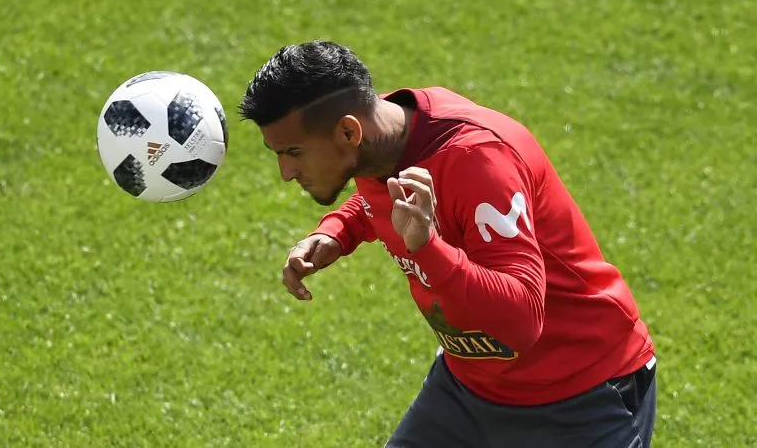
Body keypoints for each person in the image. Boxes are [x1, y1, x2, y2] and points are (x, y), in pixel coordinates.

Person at [238, 40, 657, 448]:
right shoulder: (379, 137)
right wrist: (335, 232)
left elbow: (521, 322)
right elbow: (378, 195)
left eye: (293, 152)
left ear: (349, 131)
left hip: (580, 394)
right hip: (466, 391)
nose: (286, 172)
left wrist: (428, 248)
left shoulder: (479, 161)